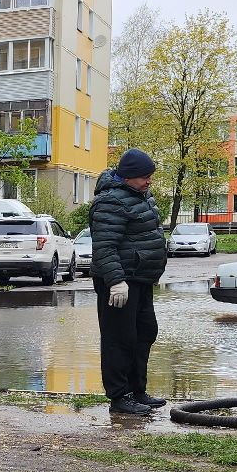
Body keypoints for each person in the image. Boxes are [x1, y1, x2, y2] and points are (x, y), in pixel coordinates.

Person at [90, 149, 169, 416]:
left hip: (140, 279)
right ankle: (119, 397)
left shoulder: (141, 196)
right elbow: (104, 246)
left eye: (150, 176)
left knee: (145, 333)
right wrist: (116, 281)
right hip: (119, 282)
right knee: (118, 339)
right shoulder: (110, 202)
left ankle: (138, 391)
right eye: (145, 177)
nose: (149, 181)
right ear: (128, 177)